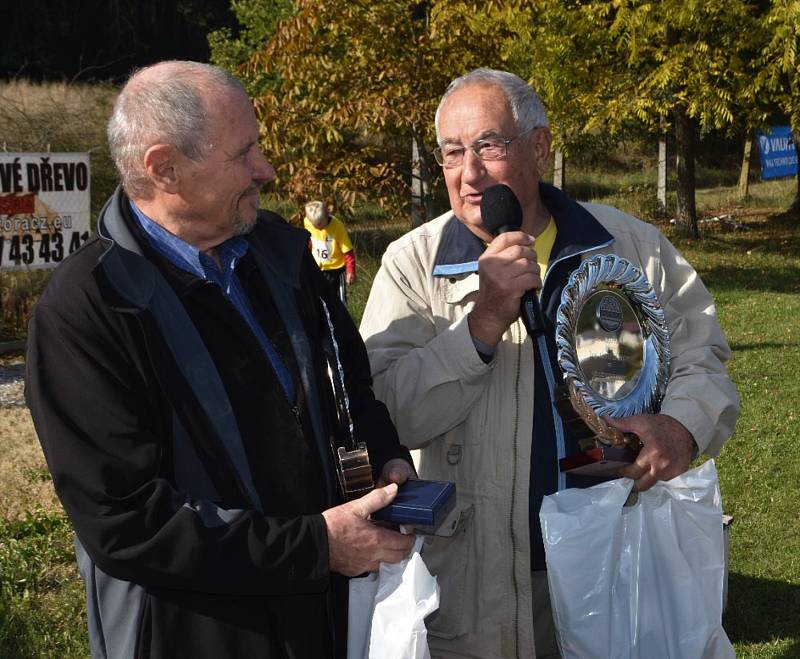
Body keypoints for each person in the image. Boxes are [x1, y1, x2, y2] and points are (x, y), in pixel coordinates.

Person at [25, 60, 416, 659]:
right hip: (197, 632)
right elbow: (125, 520)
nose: (267, 169)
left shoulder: (281, 251)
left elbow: (347, 386)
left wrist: (384, 456)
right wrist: (314, 547)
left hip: (328, 616)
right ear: (164, 168)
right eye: (244, 153)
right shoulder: (87, 309)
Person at [359, 68, 739, 659]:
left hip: (616, 553)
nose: (470, 173)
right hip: (477, 580)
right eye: (452, 153)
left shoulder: (627, 246)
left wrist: (682, 426)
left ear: (539, 147)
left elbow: (702, 357)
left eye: (488, 145)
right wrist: (481, 325)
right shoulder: (412, 266)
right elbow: (385, 413)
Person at [303, 200, 357, 304]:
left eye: (322, 225)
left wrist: (351, 271)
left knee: (339, 300)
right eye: (316, 226)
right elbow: (309, 240)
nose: (319, 228)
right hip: (318, 268)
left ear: (327, 214)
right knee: (321, 298)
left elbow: (348, 251)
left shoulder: (337, 227)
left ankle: (342, 318)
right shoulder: (307, 222)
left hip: (336, 270)